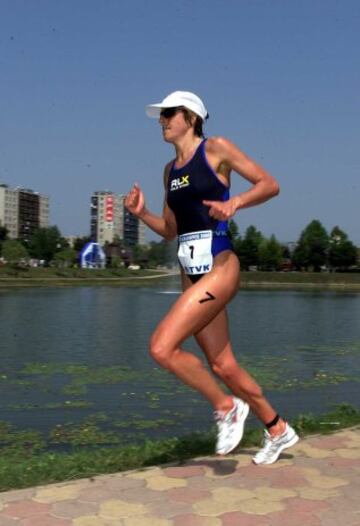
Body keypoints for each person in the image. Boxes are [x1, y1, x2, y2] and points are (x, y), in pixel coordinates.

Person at [125, 91, 299, 464]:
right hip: (192, 275)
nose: (162, 120)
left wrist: (235, 203)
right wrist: (141, 214)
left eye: (168, 113)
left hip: (220, 266)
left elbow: (269, 184)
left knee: (161, 347)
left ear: (190, 117)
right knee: (223, 365)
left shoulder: (216, 149)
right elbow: (170, 230)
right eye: (160, 115)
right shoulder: (169, 171)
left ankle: (226, 407)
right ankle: (277, 429)